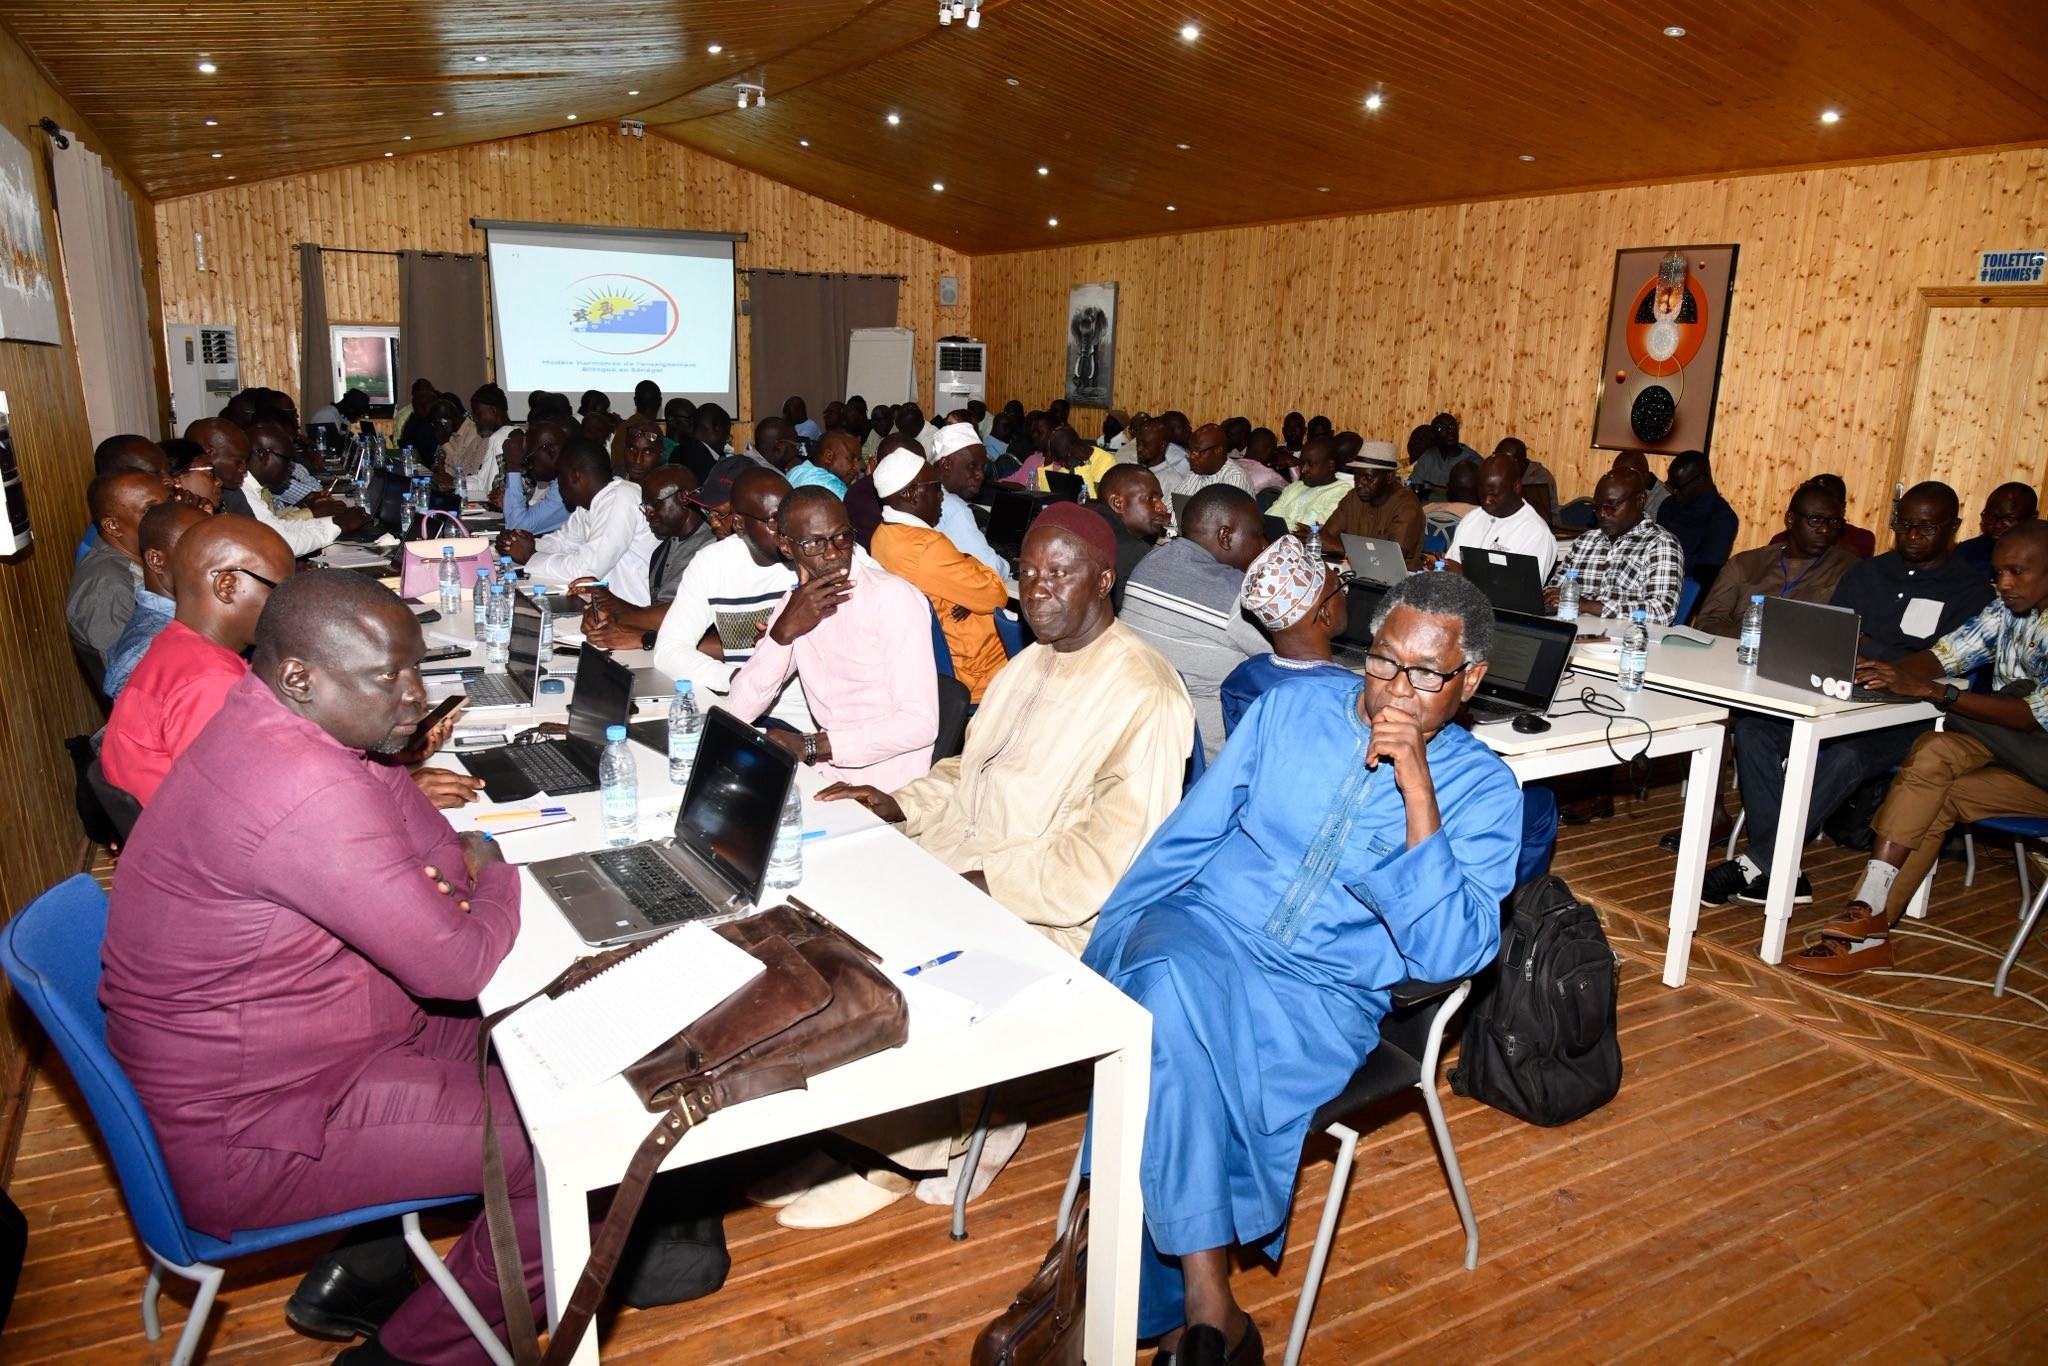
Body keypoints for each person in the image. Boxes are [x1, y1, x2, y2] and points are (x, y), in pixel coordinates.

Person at [100, 570, 535, 1363]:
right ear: (300, 675)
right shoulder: (303, 783)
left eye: (416, 669)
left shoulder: (296, 722)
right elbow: (461, 961)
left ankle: (407, 1275)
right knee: (561, 1139)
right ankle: (412, 1354)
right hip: (263, 1125)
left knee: (553, 1043)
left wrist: (457, 873)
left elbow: (434, 849)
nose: (414, 697)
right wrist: (501, 867)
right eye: (387, 677)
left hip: (313, 1043)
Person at [1081, 571, 1516, 1362]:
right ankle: (1210, 1307)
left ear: (1471, 678)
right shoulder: (1290, 709)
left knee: (1164, 1038)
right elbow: (1193, 832)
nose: (1396, 690)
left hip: (1318, 993)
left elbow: (1452, 953)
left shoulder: (1485, 790)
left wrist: (1420, 792)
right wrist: (1117, 931)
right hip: (1203, 927)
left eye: (1426, 675)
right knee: (1163, 985)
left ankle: (1153, 1300)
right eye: (1385, 662)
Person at [823, 499, 1193, 956]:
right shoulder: (1029, 662)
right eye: (1030, 573)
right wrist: (899, 805)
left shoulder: (1146, 693)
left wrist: (982, 884)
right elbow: (971, 768)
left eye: (1059, 574)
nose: (1036, 591)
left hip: (1031, 919)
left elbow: (1103, 862)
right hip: (946, 866)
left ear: (1102, 582)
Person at [1701, 482, 1994, 907]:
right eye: (1904, 525)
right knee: (1753, 730)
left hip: (1912, 712)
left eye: (1927, 528)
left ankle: (1756, 863)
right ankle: (1783, 870)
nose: (1913, 535)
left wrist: (1876, 649)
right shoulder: (1867, 572)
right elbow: (1835, 633)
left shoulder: (1970, 592)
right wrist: (1880, 653)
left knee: (1848, 755)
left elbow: (1942, 664)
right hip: (1840, 689)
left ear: (1953, 527)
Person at [1789, 519, 2048, 975]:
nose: (2004, 584)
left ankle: (1868, 929)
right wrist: (1887, 672)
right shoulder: (2009, 609)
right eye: (1998, 574)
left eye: (2017, 573)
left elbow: (2029, 715)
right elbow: (1947, 654)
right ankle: (1866, 911)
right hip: (2012, 747)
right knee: (1932, 755)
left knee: (1932, 788)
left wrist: (1933, 691)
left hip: (2037, 758)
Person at [724, 488, 938, 790]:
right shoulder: (795, 606)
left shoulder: (891, 599)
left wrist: (814, 745)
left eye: (843, 536)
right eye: (814, 543)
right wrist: (781, 634)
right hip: (827, 774)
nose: (833, 552)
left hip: (889, 788)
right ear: (786, 546)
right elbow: (739, 709)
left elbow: (920, 725)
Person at [101, 516, 294, 804]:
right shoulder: (210, 682)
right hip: (187, 837)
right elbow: (232, 803)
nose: (288, 608)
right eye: (280, 592)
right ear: (227, 585)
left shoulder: (173, 644)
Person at [651, 467, 813, 733]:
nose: (787, 530)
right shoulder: (712, 563)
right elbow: (668, 651)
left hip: (807, 721)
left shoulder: (819, 551)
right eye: (774, 521)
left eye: (789, 516)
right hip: (742, 712)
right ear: (739, 525)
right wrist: (736, 679)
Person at [1121, 485, 1268, 759]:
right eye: (1258, 535)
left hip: (1135, 733)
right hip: (1204, 758)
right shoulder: (1235, 595)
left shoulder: (1149, 563)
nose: (1263, 545)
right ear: (1226, 536)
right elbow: (1289, 659)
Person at [870, 450, 1010, 703]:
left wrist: (964, 589)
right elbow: (995, 594)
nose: (941, 496)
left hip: (929, 663)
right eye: (935, 487)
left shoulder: (881, 536)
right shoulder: (928, 547)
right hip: (977, 668)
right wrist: (968, 563)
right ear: (910, 493)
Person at [1219, 534, 1355, 734]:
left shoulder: (1244, 676)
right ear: (1326, 614)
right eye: (1340, 587)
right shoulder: (1352, 696)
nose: (1344, 595)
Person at [1692, 480, 1859, 636]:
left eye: (1834, 522)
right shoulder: (1744, 564)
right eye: (1815, 520)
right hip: (1736, 654)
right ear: (1790, 520)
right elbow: (1707, 622)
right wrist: (1754, 641)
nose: (1825, 530)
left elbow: (1849, 635)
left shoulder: (1848, 570)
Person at [577, 467, 717, 649]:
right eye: (645, 506)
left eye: (655, 504)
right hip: (660, 649)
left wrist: (619, 611)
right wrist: (606, 614)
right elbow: (649, 614)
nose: (647, 513)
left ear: (683, 498)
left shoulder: (713, 547)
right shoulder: (662, 549)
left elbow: (686, 615)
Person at [493, 438, 648, 598]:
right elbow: (564, 542)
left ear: (575, 475)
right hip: (600, 604)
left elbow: (586, 570)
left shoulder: (621, 499)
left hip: (629, 611)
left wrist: (529, 556)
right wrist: (518, 543)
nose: (558, 483)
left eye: (559, 475)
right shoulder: (589, 502)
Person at [1543, 469, 1686, 623]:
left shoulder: (1660, 544)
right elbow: (1553, 590)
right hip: (1573, 629)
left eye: (1611, 507)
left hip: (1623, 638)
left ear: (1640, 500)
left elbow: (1662, 611)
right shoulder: (1585, 541)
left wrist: (1588, 606)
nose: (1602, 514)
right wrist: (1551, 598)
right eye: (1597, 507)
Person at [69, 470, 168, 688]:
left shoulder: (144, 555)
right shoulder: (108, 584)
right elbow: (127, 680)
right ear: (113, 526)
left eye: (167, 504)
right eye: (150, 510)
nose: (168, 516)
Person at [103, 500, 209, 701]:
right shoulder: (147, 651)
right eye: (200, 551)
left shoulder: (190, 615)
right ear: (157, 560)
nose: (217, 560)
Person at [1445, 453, 1557, 580]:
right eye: (1482, 493)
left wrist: (1467, 575)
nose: (1486, 501)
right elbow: (1453, 565)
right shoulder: (1472, 518)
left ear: (1516, 487)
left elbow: (1523, 593)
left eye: (1494, 495)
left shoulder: (1536, 533)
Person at [929, 424, 1014, 580]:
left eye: (983, 467)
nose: (980, 475)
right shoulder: (954, 509)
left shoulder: (922, 495)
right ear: (946, 464)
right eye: (972, 466)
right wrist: (1009, 563)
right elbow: (990, 568)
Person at [1322, 441, 1424, 563]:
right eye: (1357, 476)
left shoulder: (1407, 505)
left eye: (1368, 478)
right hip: (1352, 571)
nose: (1359, 484)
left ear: (1389, 477)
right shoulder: (1353, 497)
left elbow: (1391, 557)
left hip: (1394, 579)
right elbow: (1325, 536)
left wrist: (1343, 549)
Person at [1655, 448, 1740, 593]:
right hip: (1655, 580)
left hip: (1687, 590)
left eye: (1678, 487)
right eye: (1670, 486)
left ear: (1701, 480)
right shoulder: (1668, 505)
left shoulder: (1722, 517)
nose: (1674, 492)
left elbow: (1706, 571)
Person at [1096, 463, 1170, 610]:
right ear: (1118, 503)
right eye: (1151, 499)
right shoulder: (1136, 552)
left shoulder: (1088, 526)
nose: (1162, 507)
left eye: (1160, 499)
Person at [1765, 473, 1877, 558]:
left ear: (1842, 507)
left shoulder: (1861, 537)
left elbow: (1851, 562)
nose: (1823, 529)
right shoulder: (1781, 540)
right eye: (1815, 519)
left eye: (1829, 500)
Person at [433, 384, 512, 503]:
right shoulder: (487, 437)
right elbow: (479, 478)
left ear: (493, 410)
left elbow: (489, 488)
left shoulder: (505, 437)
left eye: (478, 414)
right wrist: (454, 483)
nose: (474, 419)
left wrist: (455, 484)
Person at [498, 416, 573, 533]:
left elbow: (517, 527)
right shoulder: (558, 480)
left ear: (550, 451)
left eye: (528, 460)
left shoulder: (568, 486)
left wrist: (513, 466)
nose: (528, 468)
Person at [1266, 437, 1350, 533]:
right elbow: (1269, 520)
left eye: (1310, 464)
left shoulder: (1343, 494)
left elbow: (1311, 533)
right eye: (1302, 463)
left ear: (1330, 465)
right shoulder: (1295, 487)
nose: (1303, 470)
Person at [1957, 482, 2037, 580]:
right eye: (1991, 516)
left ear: (2032, 518)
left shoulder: (2041, 559)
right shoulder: (1967, 551)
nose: (1998, 525)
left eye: (2009, 519)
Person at [1159, 423, 1256, 501]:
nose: (1192, 457)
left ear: (1218, 450)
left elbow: (1219, 519)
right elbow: (1171, 504)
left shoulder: (1235, 478)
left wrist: (1170, 519)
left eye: (1197, 452)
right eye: (1191, 451)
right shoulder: (1196, 473)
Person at [1497, 436, 1559, 526]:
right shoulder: (1502, 472)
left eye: (1506, 461)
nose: (1499, 464)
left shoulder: (1539, 478)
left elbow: (1531, 516)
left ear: (1521, 462)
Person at [1409, 415, 1479, 492]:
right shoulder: (1428, 457)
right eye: (1442, 428)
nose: (1449, 431)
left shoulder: (1472, 460)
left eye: (1452, 426)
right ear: (1433, 435)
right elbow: (1415, 486)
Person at [668, 403, 729, 479]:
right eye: (727, 435)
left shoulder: (679, 450)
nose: (726, 441)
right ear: (717, 429)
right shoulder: (702, 460)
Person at [1610, 450, 1669, 521]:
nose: (1620, 481)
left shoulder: (1664, 499)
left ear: (1645, 476)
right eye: (1616, 475)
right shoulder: (1618, 490)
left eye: (1627, 476)